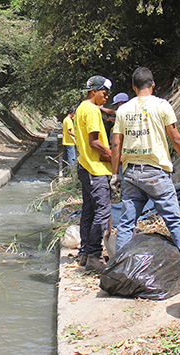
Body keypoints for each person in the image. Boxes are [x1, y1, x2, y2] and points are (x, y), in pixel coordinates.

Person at [110, 67, 180, 258]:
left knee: (126, 224)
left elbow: (116, 142)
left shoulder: (123, 110)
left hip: (132, 174)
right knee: (174, 220)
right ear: (153, 84)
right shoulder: (162, 105)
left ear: (134, 87)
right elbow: (176, 139)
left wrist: (115, 173)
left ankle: (120, 267)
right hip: (156, 173)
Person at [74, 75, 113, 272]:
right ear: (94, 91)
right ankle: (94, 255)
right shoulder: (90, 110)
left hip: (85, 166)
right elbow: (94, 142)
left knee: (88, 212)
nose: (106, 97)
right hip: (94, 169)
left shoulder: (82, 108)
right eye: (104, 94)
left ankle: (84, 253)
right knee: (103, 210)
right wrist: (112, 155)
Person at [61, 106, 77, 174]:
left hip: (65, 141)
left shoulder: (65, 119)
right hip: (70, 142)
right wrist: (77, 136)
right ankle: (71, 173)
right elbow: (69, 131)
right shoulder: (69, 120)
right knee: (71, 158)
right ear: (73, 113)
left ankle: (64, 172)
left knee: (65, 158)